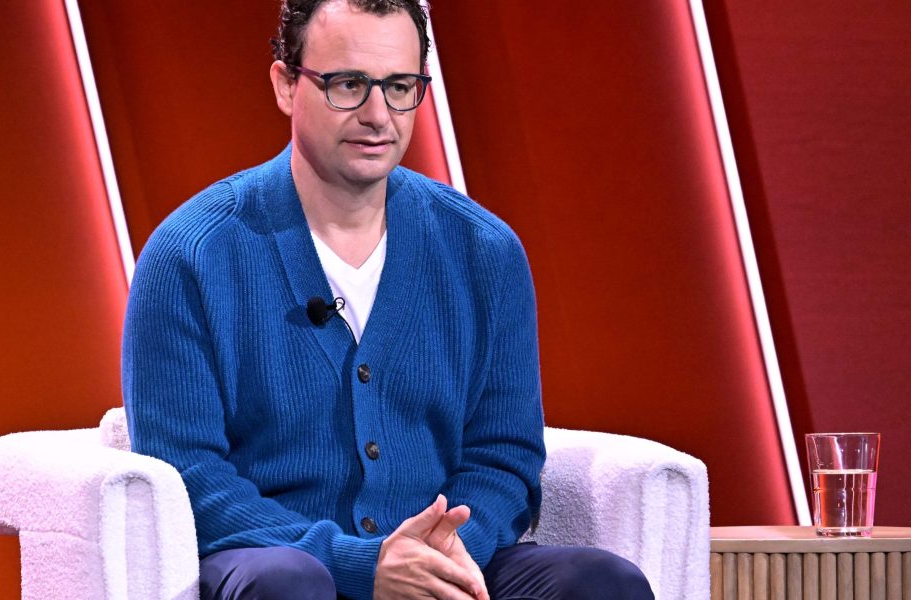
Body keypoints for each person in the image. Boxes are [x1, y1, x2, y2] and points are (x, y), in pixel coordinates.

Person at [122, 1, 655, 598]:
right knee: (286, 584)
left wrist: (446, 554)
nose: (377, 115)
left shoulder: (485, 252)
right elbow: (189, 477)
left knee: (601, 583)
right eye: (348, 84)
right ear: (286, 85)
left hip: (446, 562)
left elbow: (504, 455)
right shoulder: (191, 255)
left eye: (399, 87)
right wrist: (361, 563)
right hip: (283, 562)